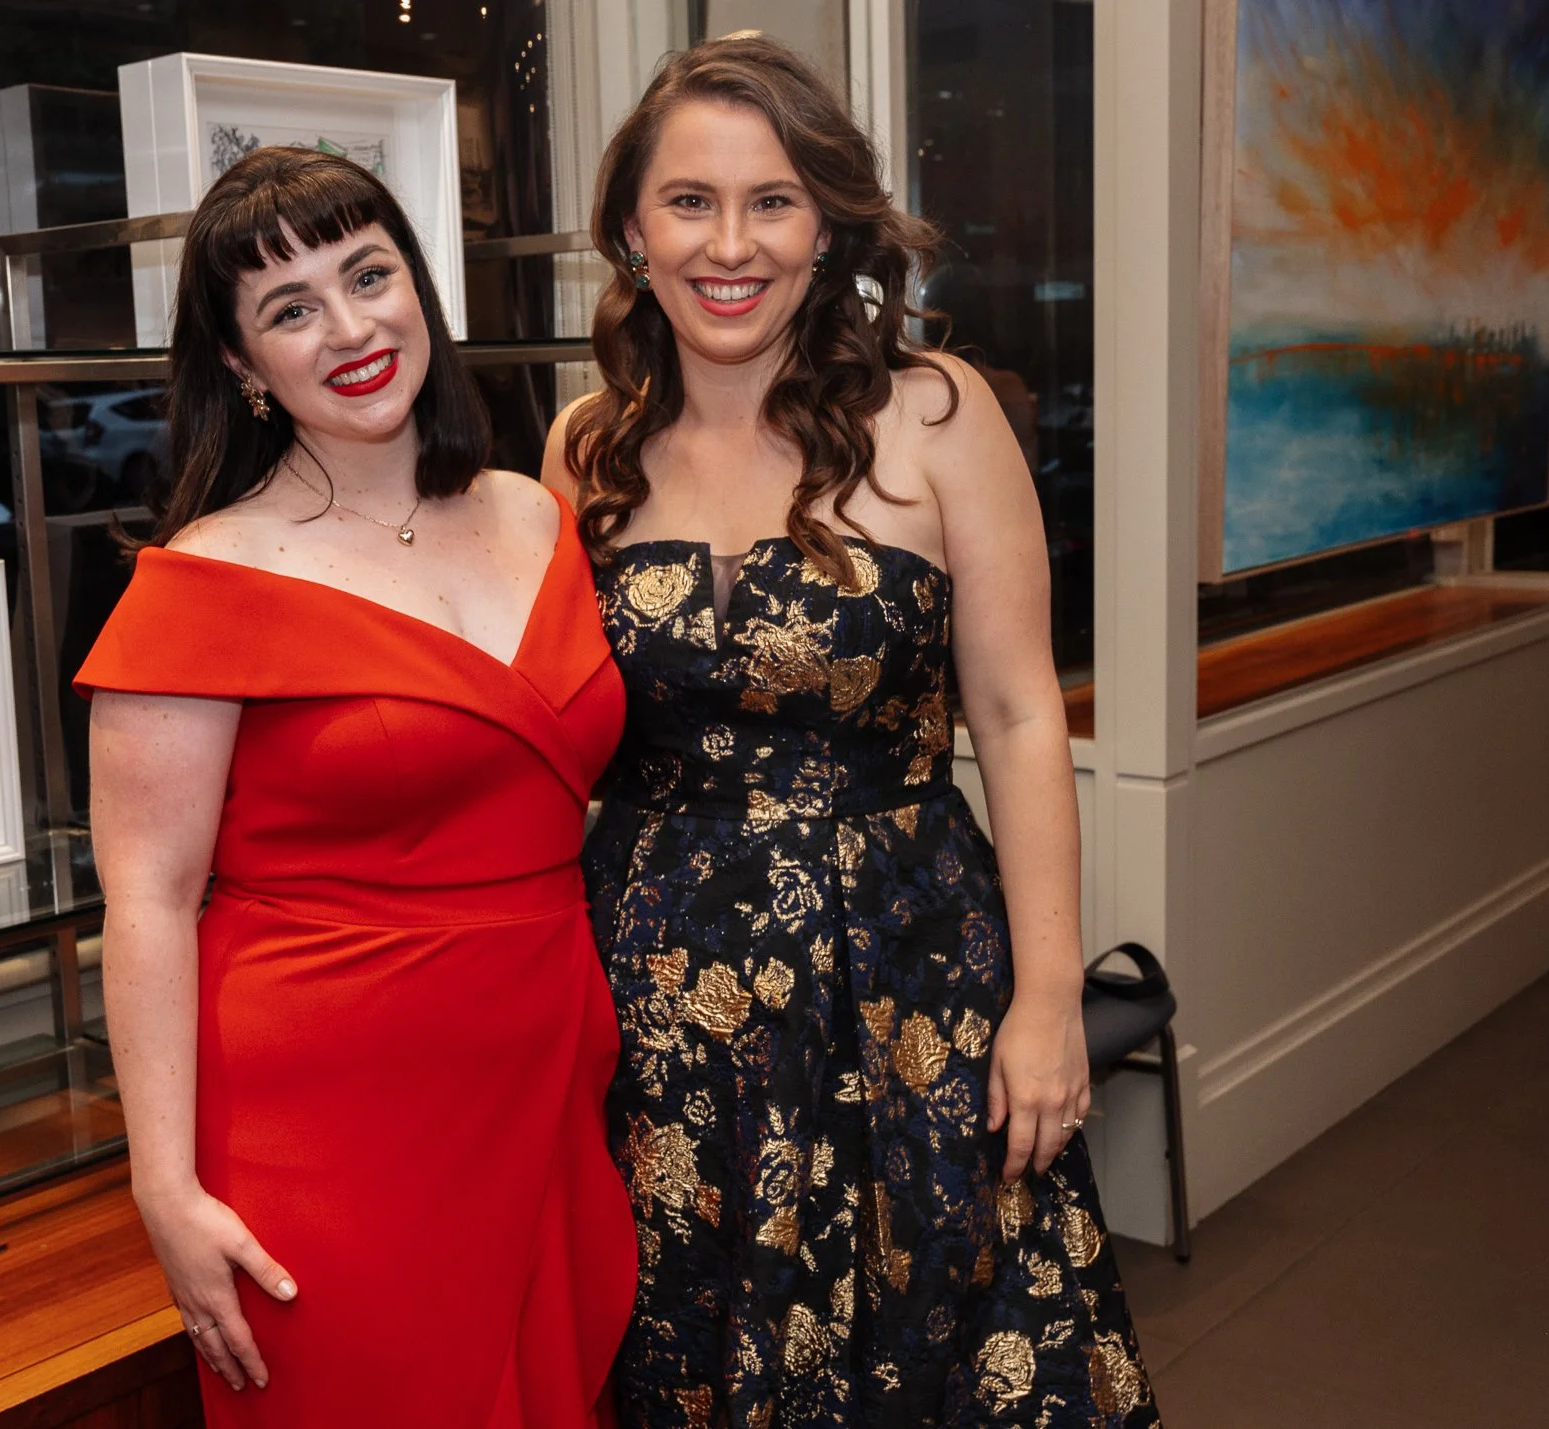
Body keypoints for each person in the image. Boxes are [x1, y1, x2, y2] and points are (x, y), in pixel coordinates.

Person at [542, 35, 1159, 1427]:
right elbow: (538, 746)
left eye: (773, 200)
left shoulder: (932, 414)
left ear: (828, 224)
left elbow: (1012, 715)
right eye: (690, 200)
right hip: (653, 997)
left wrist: (1051, 998)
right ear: (633, 228)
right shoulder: (583, 446)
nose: (730, 243)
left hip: (904, 977)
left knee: (936, 1339)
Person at [77, 148, 635, 1426]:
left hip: (547, 1067)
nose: (349, 328)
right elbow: (148, 901)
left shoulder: (537, 514)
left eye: (366, 275)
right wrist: (164, 1189)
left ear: (416, 286)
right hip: (325, 1126)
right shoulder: (205, 580)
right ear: (239, 364)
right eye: (289, 309)